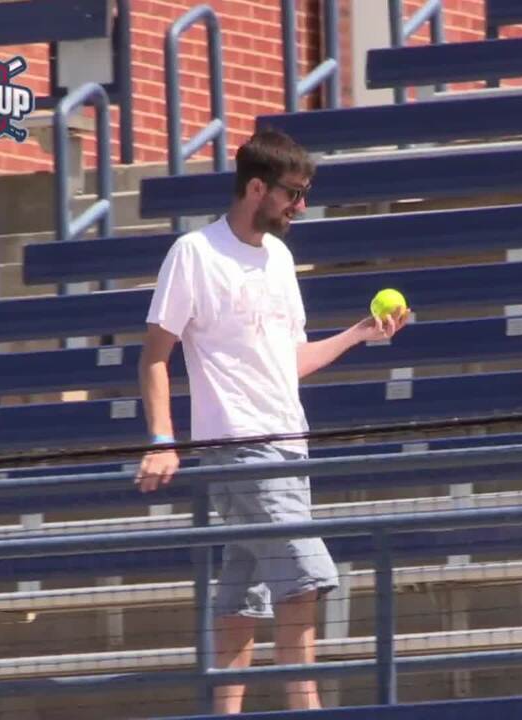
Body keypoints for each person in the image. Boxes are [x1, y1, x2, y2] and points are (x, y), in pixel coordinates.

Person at [134, 128, 410, 714]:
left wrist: (362, 333)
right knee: (305, 579)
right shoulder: (195, 253)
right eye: (292, 192)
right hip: (239, 447)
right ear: (256, 186)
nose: (300, 206)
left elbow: (288, 363)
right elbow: (154, 355)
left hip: (290, 449)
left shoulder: (281, 258)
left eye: (305, 192)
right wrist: (161, 441)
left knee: (243, 594)